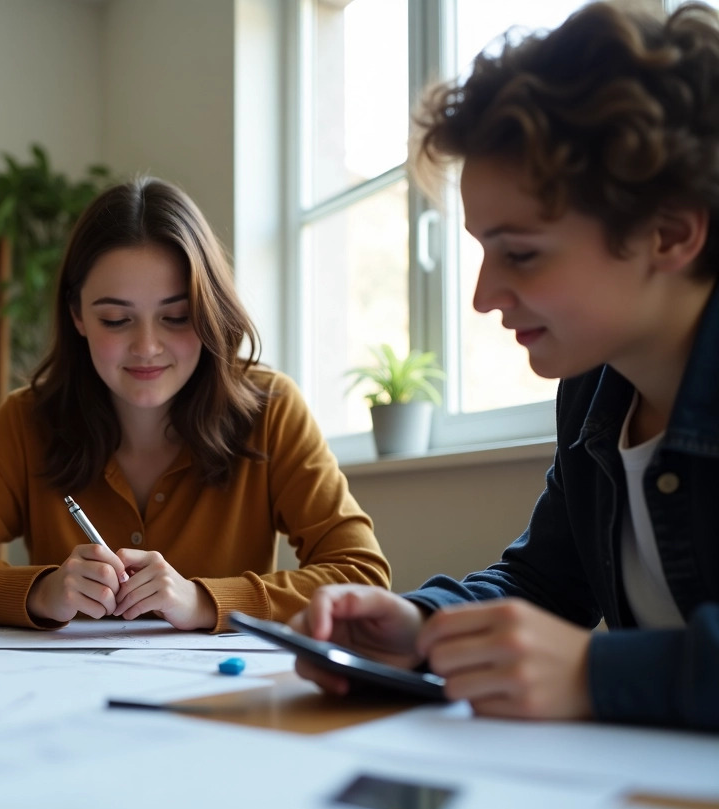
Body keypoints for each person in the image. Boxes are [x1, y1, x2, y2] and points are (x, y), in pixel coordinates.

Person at [293, 1, 719, 731]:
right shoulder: (596, 387)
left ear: (669, 233)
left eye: (519, 253)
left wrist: (594, 673)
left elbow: (580, 658)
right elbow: (544, 580)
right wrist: (419, 624)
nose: (485, 297)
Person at [0, 177, 390, 632]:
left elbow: (361, 577)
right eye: (116, 320)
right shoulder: (27, 420)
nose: (147, 346)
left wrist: (202, 601)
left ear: (208, 312)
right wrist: (37, 592)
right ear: (77, 315)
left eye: (176, 317)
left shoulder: (271, 409)